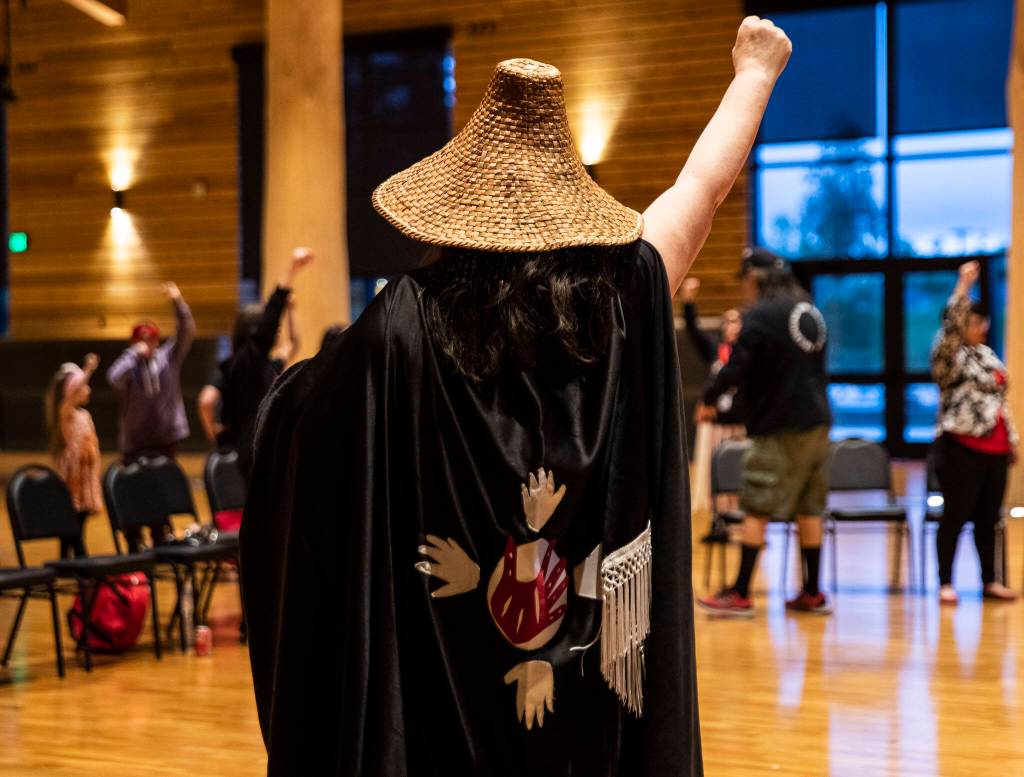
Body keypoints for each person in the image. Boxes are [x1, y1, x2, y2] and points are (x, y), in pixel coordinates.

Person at [241, 17, 791, 777]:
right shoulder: (624, 301)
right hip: (590, 725)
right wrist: (754, 76)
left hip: (443, 712)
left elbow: (294, 430)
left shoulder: (400, 324)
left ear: (453, 212)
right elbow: (698, 192)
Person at [697, 247, 832, 617]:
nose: (743, 290)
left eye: (744, 281)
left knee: (756, 503)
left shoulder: (761, 315)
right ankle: (812, 592)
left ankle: (740, 593)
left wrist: (710, 396)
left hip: (780, 426)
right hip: (818, 423)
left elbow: (736, 366)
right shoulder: (809, 308)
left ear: (755, 277)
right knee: (809, 506)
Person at [931, 260, 1017, 604]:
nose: (980, 327)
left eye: (983, 322)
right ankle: (946, 582)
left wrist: (1011, 440)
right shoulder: (949, 356)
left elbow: (997, 401)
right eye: (974, 321)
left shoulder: (987, 355)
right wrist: (963, 286)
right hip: (959, 449)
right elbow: (951, 324)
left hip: (995, 451)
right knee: (955, 516)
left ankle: (989, 581)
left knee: (988, 519)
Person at [198, 248, 311, 479]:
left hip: (256, 447)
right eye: (273, 329)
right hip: (253, 451)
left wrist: (290, 311)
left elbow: (294, 344)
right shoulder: (250, 358)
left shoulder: (253, 365)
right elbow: (205, 401)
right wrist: (292, 269)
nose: (276, 332)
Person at [107, 281, 195, 550]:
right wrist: (134, 354)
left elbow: (186, 332)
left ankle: (161, 540)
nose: (147, 344)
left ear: (157, 340)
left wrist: (178, 301)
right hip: (135, 441)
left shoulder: (169, 358)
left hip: (164, 439)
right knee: (134, 494)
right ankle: (134, 545)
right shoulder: (129, 364)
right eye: (140, 340)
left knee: (160, 494)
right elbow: (113, 377)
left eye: (150, 339)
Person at [45, 353, 102, 558]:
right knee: (72, 522)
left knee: (79, 520)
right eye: (83, 386)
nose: (88, 389)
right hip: (72, 479)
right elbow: (71, 393)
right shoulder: (65, 413)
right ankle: (78, 560)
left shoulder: (84, 415)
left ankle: (70, 559)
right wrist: (88, 369)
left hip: (85, 477)